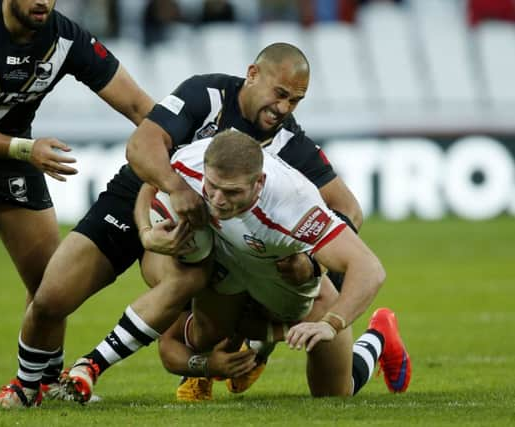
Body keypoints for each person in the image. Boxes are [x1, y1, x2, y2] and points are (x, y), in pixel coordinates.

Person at [0, 41, 361, 407]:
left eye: (294, 101)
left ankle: (103, 367)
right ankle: (29, 386)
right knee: (50, 299)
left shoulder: (289, 143)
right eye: (279, 93)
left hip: (197, 235)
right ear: (252, 74)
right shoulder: (207, 94)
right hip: (137, 197)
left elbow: (348, 209)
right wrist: (171, 193)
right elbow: (141, 146)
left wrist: (314, 262)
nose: (283, 108)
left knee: (193, 286)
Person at [0, 0, 153, 408]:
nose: (43, 1)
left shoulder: (66, 37)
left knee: (52, 285)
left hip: (10, 159)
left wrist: (178, 147)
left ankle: (44, 380)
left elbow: (136, 105)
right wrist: (26, 150)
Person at [140, 130, 409, 400]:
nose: (218, 199)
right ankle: (251, 347)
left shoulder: (293, 205)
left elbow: (369, 268)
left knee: (334, 395)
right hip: (240, 282)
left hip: (303, 297)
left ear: (259, 183)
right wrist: (146, 233)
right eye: (213, 187)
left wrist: (330, 323)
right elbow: (147, 184)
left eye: (232, 191)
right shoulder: (193, 162)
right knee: (203, 336)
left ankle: (378, 337)